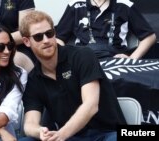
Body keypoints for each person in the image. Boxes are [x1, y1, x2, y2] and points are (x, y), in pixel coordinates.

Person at [18, 10, 126, 141]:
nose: (46, 40)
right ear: (26, 41)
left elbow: (91, 105)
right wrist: (40, 131)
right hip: (70, 137)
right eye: (38, 37)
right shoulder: (34, 79)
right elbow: (29, 124)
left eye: (49, 33)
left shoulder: (82, 56)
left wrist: (61, 135)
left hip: (106, 134)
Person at [56, 0, 156, 59]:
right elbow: (58, 38)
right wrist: (67, 59)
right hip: (83, 59)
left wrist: (132, 59)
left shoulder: (124, 5)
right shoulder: (76, 4)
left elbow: (150, 37)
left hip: (114, 59)